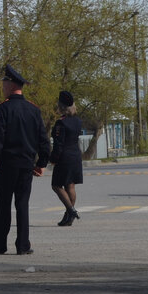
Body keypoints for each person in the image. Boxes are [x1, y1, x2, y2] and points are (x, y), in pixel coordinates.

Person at [0, 65, 50, 255]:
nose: (2, 86)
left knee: (3, 204)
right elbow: (43, 140)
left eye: (4, 83)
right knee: (22, 204)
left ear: (11, 85)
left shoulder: (4, 108)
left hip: (7, 164)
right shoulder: (33, 110)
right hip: (26, 164)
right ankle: (22, 245)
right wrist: (41, 163)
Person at [50, 90, 84, 226]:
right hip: (76, 155)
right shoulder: (78, 121)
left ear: (61, 107)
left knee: (56, 185)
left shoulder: (61, 123)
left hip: (64, 157)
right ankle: (68, 217)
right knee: (70, 185)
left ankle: (71, 210)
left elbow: (58, 144)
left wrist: (53, 158)